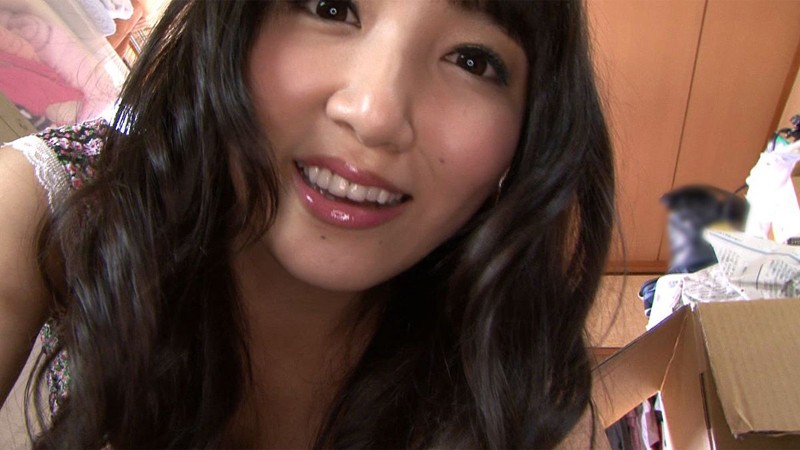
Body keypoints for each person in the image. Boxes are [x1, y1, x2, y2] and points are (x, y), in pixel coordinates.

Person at [0, 0, 615, 448]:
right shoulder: (48, 202)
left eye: (473, 60)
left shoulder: (521, 389)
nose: (374, 114)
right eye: (332, 7)